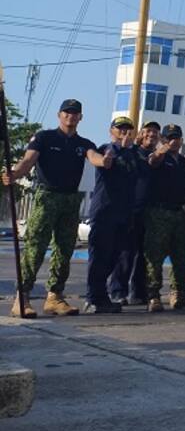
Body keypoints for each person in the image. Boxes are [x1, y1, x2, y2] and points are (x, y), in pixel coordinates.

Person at [4, 99, 107, 317]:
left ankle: (55, 297)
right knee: (36, 247)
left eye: (75, 113)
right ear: (59, 115)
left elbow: (94, 157)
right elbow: (28, 161)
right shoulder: (44, 138)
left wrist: (104, 161)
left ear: (80, 117)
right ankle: (22, 297)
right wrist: (14, 174)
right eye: (67, 112)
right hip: (47, 197)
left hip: (70, 200)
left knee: (64, 249)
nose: (71, 116)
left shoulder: (84, 143)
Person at [84, 116, 143, 314]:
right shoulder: (105, 149)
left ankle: (102, 297)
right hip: (105, 212)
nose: (124, 133)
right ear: (112, 131)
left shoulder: (134, 155)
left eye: (128, 129)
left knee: (115, 258)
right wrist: (107, 160)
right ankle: (92, 298)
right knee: (99, 256)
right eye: (120, 129)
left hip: (124, 214)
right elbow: (101, 161)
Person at [142, 123, 185, 312]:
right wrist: (160, 152)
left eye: (176, 138)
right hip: (158, 212)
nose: (173, 141)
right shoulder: (158, 157)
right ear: (163, 140)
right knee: (154, 256)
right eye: (169, 138)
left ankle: (178, 293)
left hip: (179, 212)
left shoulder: (184, 162)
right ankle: (153, 295)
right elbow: (152, 161)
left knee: (181, 256)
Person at [108, 121, 157, 306]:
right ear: (141, 134)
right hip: (130, 209)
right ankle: (117, 291)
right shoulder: (132, 152)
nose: (151, 135)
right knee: (126, 253)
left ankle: (139, 292)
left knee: (144, 255)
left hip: (150, 211)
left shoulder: (157, 156)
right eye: (148, 131)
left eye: (155, 132)